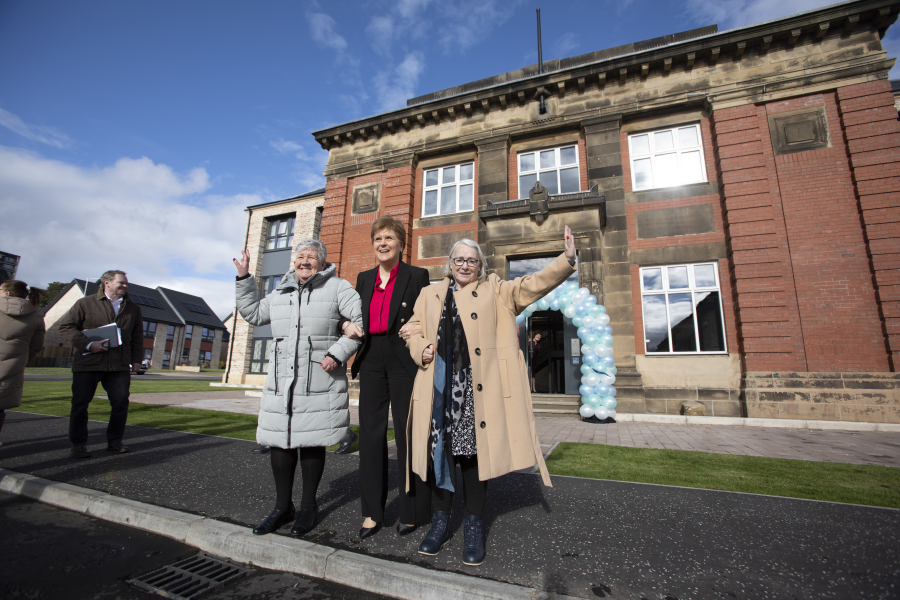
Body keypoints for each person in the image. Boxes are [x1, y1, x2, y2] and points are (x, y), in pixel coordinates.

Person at [405, 226, 577, 565]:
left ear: (480, 265)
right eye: (459, 259)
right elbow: (412, 328)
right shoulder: (430, 293)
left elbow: (531, 284)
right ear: (450, 263)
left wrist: (566, 259)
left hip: (473, 389)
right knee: (438, 455)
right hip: (438, 388)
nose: (465, 265)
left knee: (472, 459)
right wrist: (420, 347)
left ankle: (472, 526)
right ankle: (439, 524)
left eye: (472, 260)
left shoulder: (496, 289)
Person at [233, 239, 362, 536]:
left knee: (312, 441)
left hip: (319, 378)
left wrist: (336, 353)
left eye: (312, 257)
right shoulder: (280, 290)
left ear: (322, 262)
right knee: (281, 441)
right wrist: (243, 278)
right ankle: (282, 508)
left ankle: (308, 507)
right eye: (300, 256)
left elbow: (360, 321)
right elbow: (252, 314)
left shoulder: (338, 288)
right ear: (294, 261)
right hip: (282, 381)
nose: (305, 261)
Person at [343, 215, 431, 539]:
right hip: (370, 359)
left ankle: (410, 510)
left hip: (402, 357)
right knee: (370, 435)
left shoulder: (417, 275)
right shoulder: (364, 279)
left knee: (408, 434)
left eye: (389, 238)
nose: (383, 243)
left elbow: (431, 315)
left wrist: (421, 326)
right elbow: (349, 315)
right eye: (378, 239)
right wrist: (344, 326)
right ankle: (372, 513)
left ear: (401, 244)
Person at [58, 271, 143, 458]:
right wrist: (88, 344)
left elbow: (137, 336)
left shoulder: (133, 308)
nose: (125, 286)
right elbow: (66, 327)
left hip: (119, 365)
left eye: (126, 283)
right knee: (80, 404)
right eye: (121, 283)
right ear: (107, 283)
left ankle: (115, 442)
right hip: (88, 363)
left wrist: (137, 359)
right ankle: (78, 444)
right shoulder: (85, 303)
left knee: (120, 404)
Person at [0, 280, 46, 445]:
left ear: (7, 293)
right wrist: (20, 360)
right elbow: (36, 347)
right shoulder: (36, 316)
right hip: (12, 367)